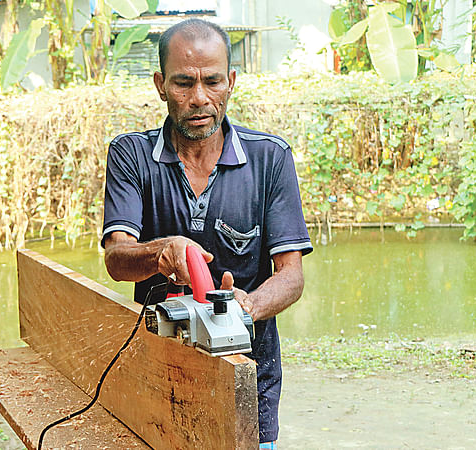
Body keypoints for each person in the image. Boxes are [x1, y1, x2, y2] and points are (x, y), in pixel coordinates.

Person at [101, 18, 313, 447]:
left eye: (212, 82)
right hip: (159, 365)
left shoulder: (269, 159)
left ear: (231, 81)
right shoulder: (132, 156)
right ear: (160, 84)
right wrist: (162, 251)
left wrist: (246, 307)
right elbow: (116, 260)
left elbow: (291, 276)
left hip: (248, 367)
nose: (199, 99)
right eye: (183, 83)